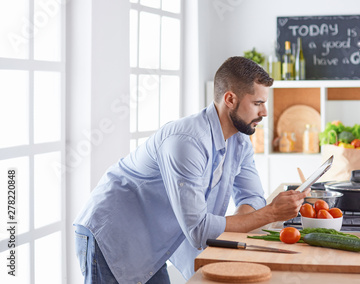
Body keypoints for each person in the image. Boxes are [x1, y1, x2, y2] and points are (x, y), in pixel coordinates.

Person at [73, 56, 309, 283]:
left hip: (151, 241)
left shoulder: (239, 141)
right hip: (112, 234)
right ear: (230, 99)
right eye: (258, 103)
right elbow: (199, 230)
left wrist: (245, 221)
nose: (265, 112)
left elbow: (251, 197)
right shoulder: (186, 142)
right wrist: (269, 214)